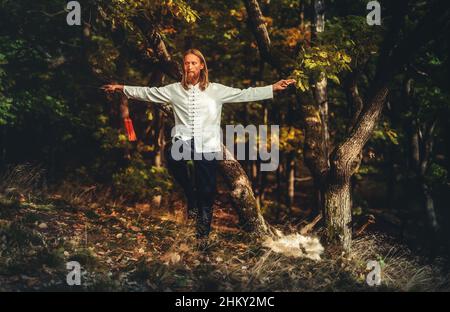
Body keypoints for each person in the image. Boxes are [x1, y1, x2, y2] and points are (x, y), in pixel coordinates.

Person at [102, 48, 295, 246]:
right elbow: (148, 93)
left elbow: (244, 94)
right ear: (183, 67)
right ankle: (190, 193)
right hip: (183, 140)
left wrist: (272, 88)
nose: (190, 66)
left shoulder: (216, 90)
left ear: (202, 66)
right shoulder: (174, 89)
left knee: (207, 190)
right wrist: (121, 88)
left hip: (208, 145)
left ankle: (202, 236)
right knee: (173, 157)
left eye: (194, 63)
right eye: (186, 63)